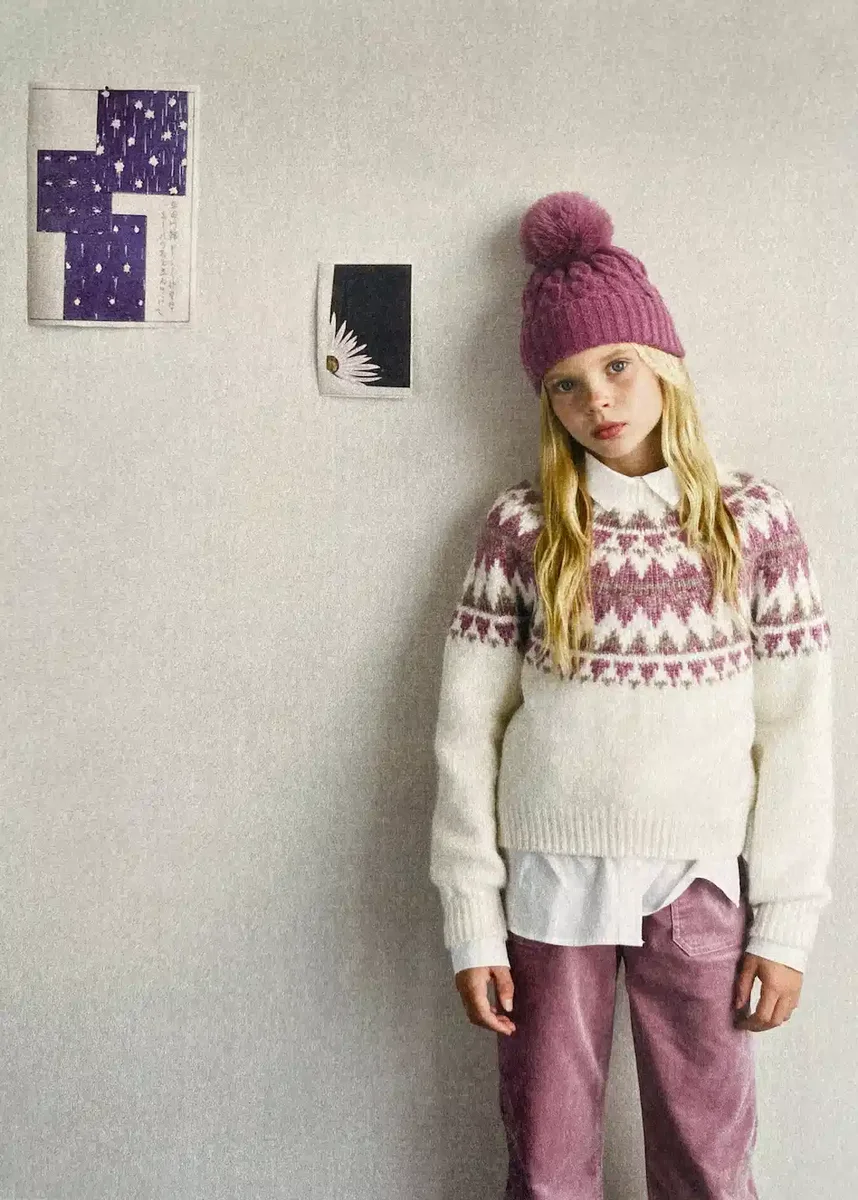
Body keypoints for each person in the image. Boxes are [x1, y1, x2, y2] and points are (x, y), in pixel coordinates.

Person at [428, 191, 834, 1200]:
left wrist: (785, 924)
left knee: (708, 1163)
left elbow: (796, 733)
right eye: (566, 384)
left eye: (617, 366)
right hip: (547, 887)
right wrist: (472, 919)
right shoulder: (522, 527)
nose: (598, 401)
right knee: (548, 1164)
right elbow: (467, 732)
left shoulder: (751, 521)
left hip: (699, 886)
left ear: (663, 364)